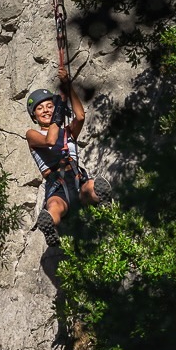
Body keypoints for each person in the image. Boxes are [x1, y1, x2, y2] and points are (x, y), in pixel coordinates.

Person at [26, 65, 112, 247]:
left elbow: (80, 117)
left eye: (50, 106)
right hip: (56, 183)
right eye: (40, 108)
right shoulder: (32, 135)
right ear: (34, 116)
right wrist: (57, 117)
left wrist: (68, 85)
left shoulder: (68, 133)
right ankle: (51, 226)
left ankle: (102, 199)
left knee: (90, 187)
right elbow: (50, 141)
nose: (46, 110)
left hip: (77, 179)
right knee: (55, 206)